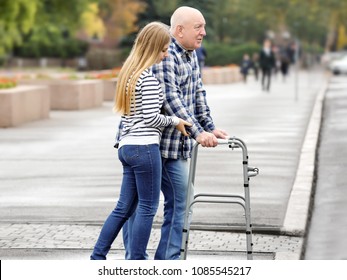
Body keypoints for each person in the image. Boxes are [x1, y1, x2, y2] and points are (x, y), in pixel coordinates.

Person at [123, 6, 228, 260]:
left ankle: (167, 262)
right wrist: (198, 133)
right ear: (179, 30)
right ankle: (135, 261)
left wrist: (209, 125)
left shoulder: (190, 54)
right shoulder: (165, 53)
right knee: (137, 206)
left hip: (173, 146)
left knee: (180, 202)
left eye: (203, 26)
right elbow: (171, 98)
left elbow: (197, 94)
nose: (204, 32)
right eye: (198, 27)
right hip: (150, 145)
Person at [90, 22, 191, 260]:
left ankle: (97, 256)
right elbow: (150, 117)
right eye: (163, 49)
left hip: (127, 148)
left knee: (123, 208)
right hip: (145, 148)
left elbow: (131, 116)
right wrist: (174, 120)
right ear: (153, 48)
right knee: (147, 207)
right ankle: (136, 262)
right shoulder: (148, 80)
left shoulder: (129, 76)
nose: (166, 54)